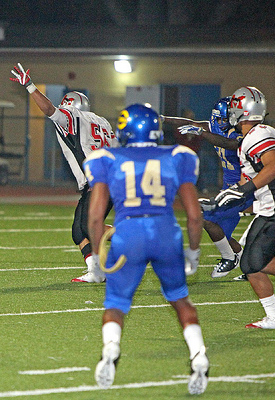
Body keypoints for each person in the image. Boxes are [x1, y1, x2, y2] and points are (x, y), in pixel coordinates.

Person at [85, 104, 209, 394]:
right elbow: (194, 215)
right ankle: (198, 355)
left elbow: (95, 217)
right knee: (180, 300)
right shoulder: (178, 155)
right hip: (166, 232)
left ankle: (111, 349)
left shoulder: (107, 158)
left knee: (116, 302)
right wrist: (193, 252)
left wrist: (97, 257)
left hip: (128, 233)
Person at [10, 63, 118, 283]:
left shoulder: (73, 116)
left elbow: (50, 110)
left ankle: (132, 236)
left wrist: (30, 86)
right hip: (107, 179)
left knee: (89, 226)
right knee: (78, 231)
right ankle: (95, 271)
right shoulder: (102, 122)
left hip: (100, 180)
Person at [212, 86, 275, 329]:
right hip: (271, 207)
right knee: (250, 263)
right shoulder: (250, 139)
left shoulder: (259, 134)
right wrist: (219, 201)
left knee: (257, 259)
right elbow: (246, 182)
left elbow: (273, 167)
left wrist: (243, 191)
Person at [162, 98, 254, 280]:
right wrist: (163, 118)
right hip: (229, 188)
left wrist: (202, 133)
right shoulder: (213, 126)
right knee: (221, 231)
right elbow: (189, 122)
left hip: (245, 187)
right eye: (220, 119)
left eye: (226, 119)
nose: (223, 122)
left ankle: (230, 258)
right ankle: (250, 267)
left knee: (206, 217)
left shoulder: (240, 132)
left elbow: (230, 144)